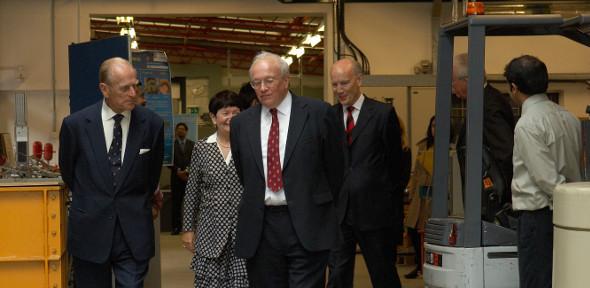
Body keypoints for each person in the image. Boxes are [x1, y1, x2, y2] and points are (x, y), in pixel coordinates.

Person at [229, 51, 344, 288]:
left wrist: (312, 198)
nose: (262, 88)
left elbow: (336, 167)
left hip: (308, 222)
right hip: (261, 228)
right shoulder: (242, 123)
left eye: (269, 80)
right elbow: (245, 173)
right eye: (256, 82)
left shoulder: (318, 113)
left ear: (285, 80)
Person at [59, 57, 164, 287]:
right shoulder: (75, 125)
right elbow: (69, 172)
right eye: (124, 88)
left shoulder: (152, 124)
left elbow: (152, 174)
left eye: (135, 85)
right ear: (104, 89)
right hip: (90, 228)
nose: (133, 92)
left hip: (133, 231)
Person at [504, 55, 581, 288]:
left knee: (536, 281)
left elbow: (547, 180)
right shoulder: (569, 118)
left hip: (539, 217)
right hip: (570, 214)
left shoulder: (528, 124)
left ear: (514, 87)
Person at [327, 58, 403, 288]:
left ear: (359, 80)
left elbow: (396, 166)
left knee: (382, 273)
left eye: (344, 83)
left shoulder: (382, 113)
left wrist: (388, 203)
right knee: (338, 274)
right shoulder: (328, 116)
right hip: (339, 213)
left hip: (375, 213)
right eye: (335, 84)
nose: (339, 90)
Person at [180, 90, 248, 288]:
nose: (231, 118)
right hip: (210, 230)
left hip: (243, 230)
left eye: (237, 112)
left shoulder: (248, 146)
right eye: (226, 112)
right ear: (213, 117)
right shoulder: (202, 147)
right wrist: (188, 229)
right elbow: (192, 191)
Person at [453, 53, 515, 220]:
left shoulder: (489, 105)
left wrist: (498, 195)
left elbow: (505, 152)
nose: (452, 88)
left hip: (493, 204)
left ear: (466, 80)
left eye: (453, 82)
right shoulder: (483, 101)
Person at [404, 115, 435, 279]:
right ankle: (418, 264)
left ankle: (428, 265)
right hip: (420, 193)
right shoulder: (424, 145)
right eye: (432, 126)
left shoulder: (450, 146)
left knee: (429, 230)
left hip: (436, 192)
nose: (434, 129)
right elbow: (416, 171)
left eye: (438, 126)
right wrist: (411, 190)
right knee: (412, 227)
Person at [170, 122, 194, 235]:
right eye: (178, 129)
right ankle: (176, 227)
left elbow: (196, 160)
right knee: (176, 204)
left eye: (182, 129)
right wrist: (178, 170)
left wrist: (187, 171)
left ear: (186, 131)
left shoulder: (192, 144)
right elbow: (168, 162)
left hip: (190, 179)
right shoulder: (171, 145)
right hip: (176, 178)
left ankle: (190, 228)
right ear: (176, 131)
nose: (180, 131)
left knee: (190, 204)